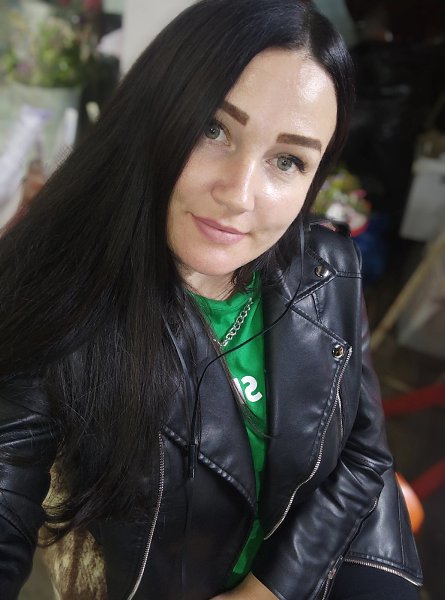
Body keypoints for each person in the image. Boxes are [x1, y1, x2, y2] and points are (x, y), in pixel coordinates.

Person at [0, 1, 422, 599]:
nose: (239, 195)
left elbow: (364, 458)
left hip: (345, 563)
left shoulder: (328, 267)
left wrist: (267, 590)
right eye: (213, 128)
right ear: (154, 111)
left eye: (288, 160)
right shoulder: (56, 297)